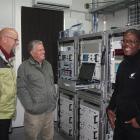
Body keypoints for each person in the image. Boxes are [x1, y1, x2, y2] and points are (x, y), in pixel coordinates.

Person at [17, 40, 58, 140]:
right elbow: (21, 88)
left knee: (48, 137)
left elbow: (51, 84)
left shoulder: (48, 65)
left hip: (49, 110)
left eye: (43, 49)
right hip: (34, 113)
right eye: (40, 50)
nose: (43, 51)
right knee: (31, 137)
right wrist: (30, 106)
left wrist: (53, 99)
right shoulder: (24, 67)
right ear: (32, 52)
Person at [107, 28, 140, 140]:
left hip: (135, 126)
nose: (126, 44)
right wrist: (110, 108)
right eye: (125, 41)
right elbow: (117, 90)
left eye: (132, 41)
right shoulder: (122, 65)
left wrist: (138, 120)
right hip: (120, 122)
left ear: (139, 45)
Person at [0, 27, 18, 140]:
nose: (16, 43)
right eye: (15, 40)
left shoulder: (7, 58)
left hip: (6, 111)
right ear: (5, 39)